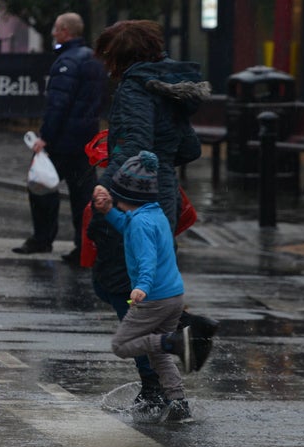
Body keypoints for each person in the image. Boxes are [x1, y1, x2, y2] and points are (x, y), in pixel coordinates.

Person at [89, 20, 219, 407]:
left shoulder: (134, 88)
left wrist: (104, 204)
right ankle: (165, 380)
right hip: (164, 196)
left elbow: (132, 150)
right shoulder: (167, 88)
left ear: (119, 57)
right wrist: (163, 164)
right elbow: (190, 148)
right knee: (151, 283)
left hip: (133, 198)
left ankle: (157, 378)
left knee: (118, 285)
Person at [93, 151, 199, 422]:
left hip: (153, 298)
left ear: (128, 195)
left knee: (121, 345)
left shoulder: (140, 223)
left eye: (117, 194)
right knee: (157, 355)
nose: (114, 198)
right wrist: (107, 212)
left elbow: (146, 259)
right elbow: (126, 224)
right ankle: (178, 402)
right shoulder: (154, 214)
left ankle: (171, 341)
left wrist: (141, 286)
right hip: (173, 296)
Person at [12, 12, 106, 265]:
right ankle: (85, 247)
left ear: (65, 31)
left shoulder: (67, 62)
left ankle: (42, 239)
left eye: (56, 29)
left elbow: (58, 104)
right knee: (84, 197)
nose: (53, 33)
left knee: (40, 188)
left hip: (63, 142)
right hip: (86, 142)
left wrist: (45, 138)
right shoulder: (93, 60)